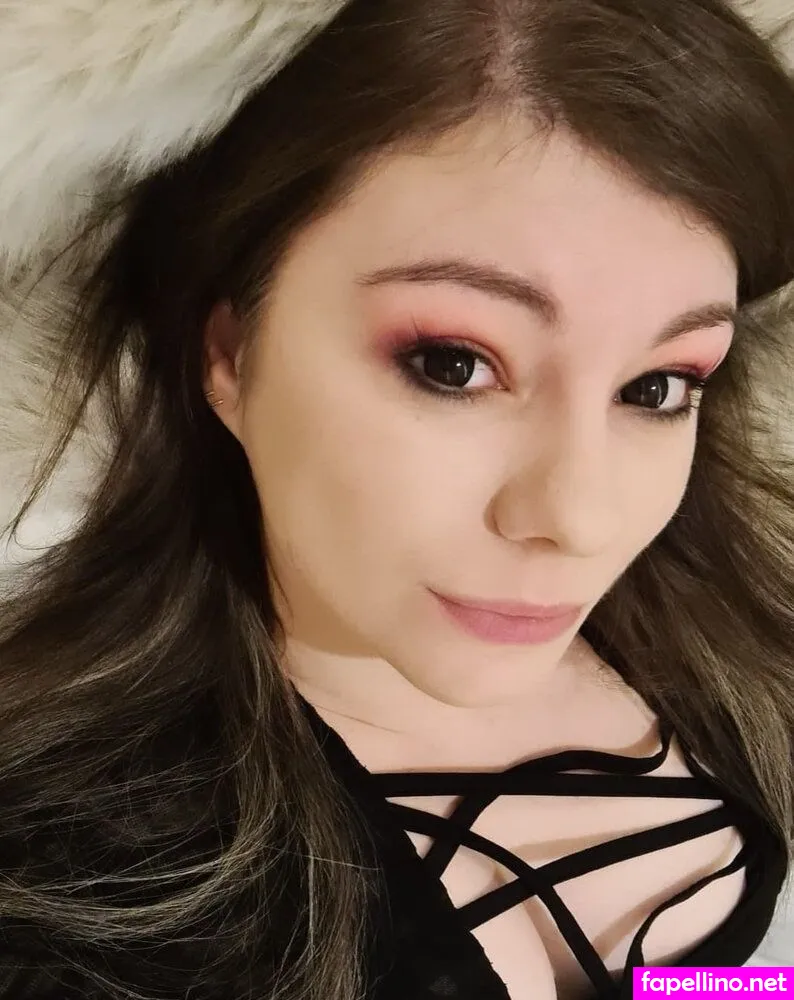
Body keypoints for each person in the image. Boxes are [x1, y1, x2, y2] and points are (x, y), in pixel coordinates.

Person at [0, 1, 793, 998]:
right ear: (232, 355)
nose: (579, 519)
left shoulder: (726, 641)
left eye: (657, 386)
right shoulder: (68, 879)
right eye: (452, 364)